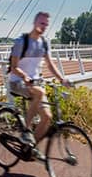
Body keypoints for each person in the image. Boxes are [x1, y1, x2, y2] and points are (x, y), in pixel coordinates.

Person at [8, 11, 72, 154]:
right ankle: (26, 130)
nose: (44, 27)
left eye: (46, 25)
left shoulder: (44, 43)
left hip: (34, 84)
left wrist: (62, 79)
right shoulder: (21, 42)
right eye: (42, 23)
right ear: (35, 22)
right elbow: (14, 67)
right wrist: (25, 77)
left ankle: (29, 149)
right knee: (40, 92)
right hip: (17, 82)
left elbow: (50, 64)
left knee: (47, 117)